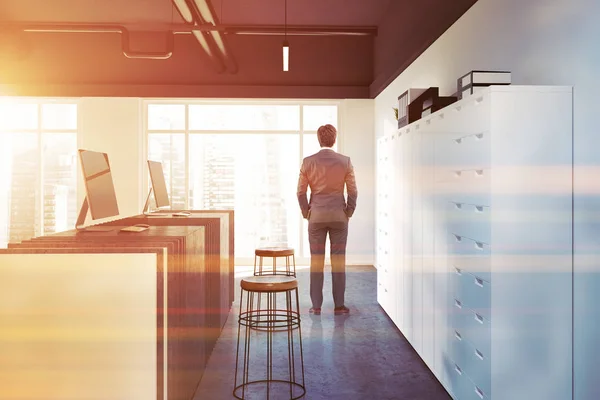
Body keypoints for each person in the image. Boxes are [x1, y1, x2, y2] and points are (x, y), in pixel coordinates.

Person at [297, 124, 358, 315]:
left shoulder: (308, 162)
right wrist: (348, 212)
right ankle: (339, 306)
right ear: (334, 139)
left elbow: (300, 192)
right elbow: (353, 191)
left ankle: (316, 306)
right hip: (339, 217)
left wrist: (307, 212)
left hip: (316, 217)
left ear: (319, 139)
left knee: (316, 261)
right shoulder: (345, 161)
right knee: (338, 261)